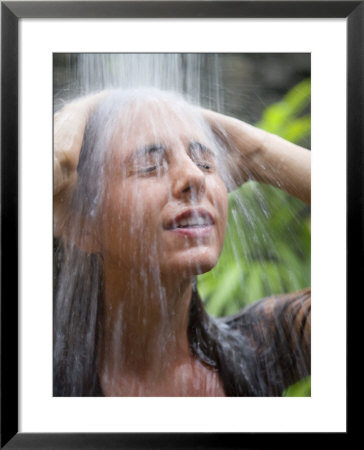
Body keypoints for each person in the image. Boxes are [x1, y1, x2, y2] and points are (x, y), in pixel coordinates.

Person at [53, 88, 311, 397]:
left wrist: (255, 152)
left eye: (205, 162)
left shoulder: (262, 347)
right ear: (83, 226)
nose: (194, 177)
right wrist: (83, 116)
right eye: (151, 166)